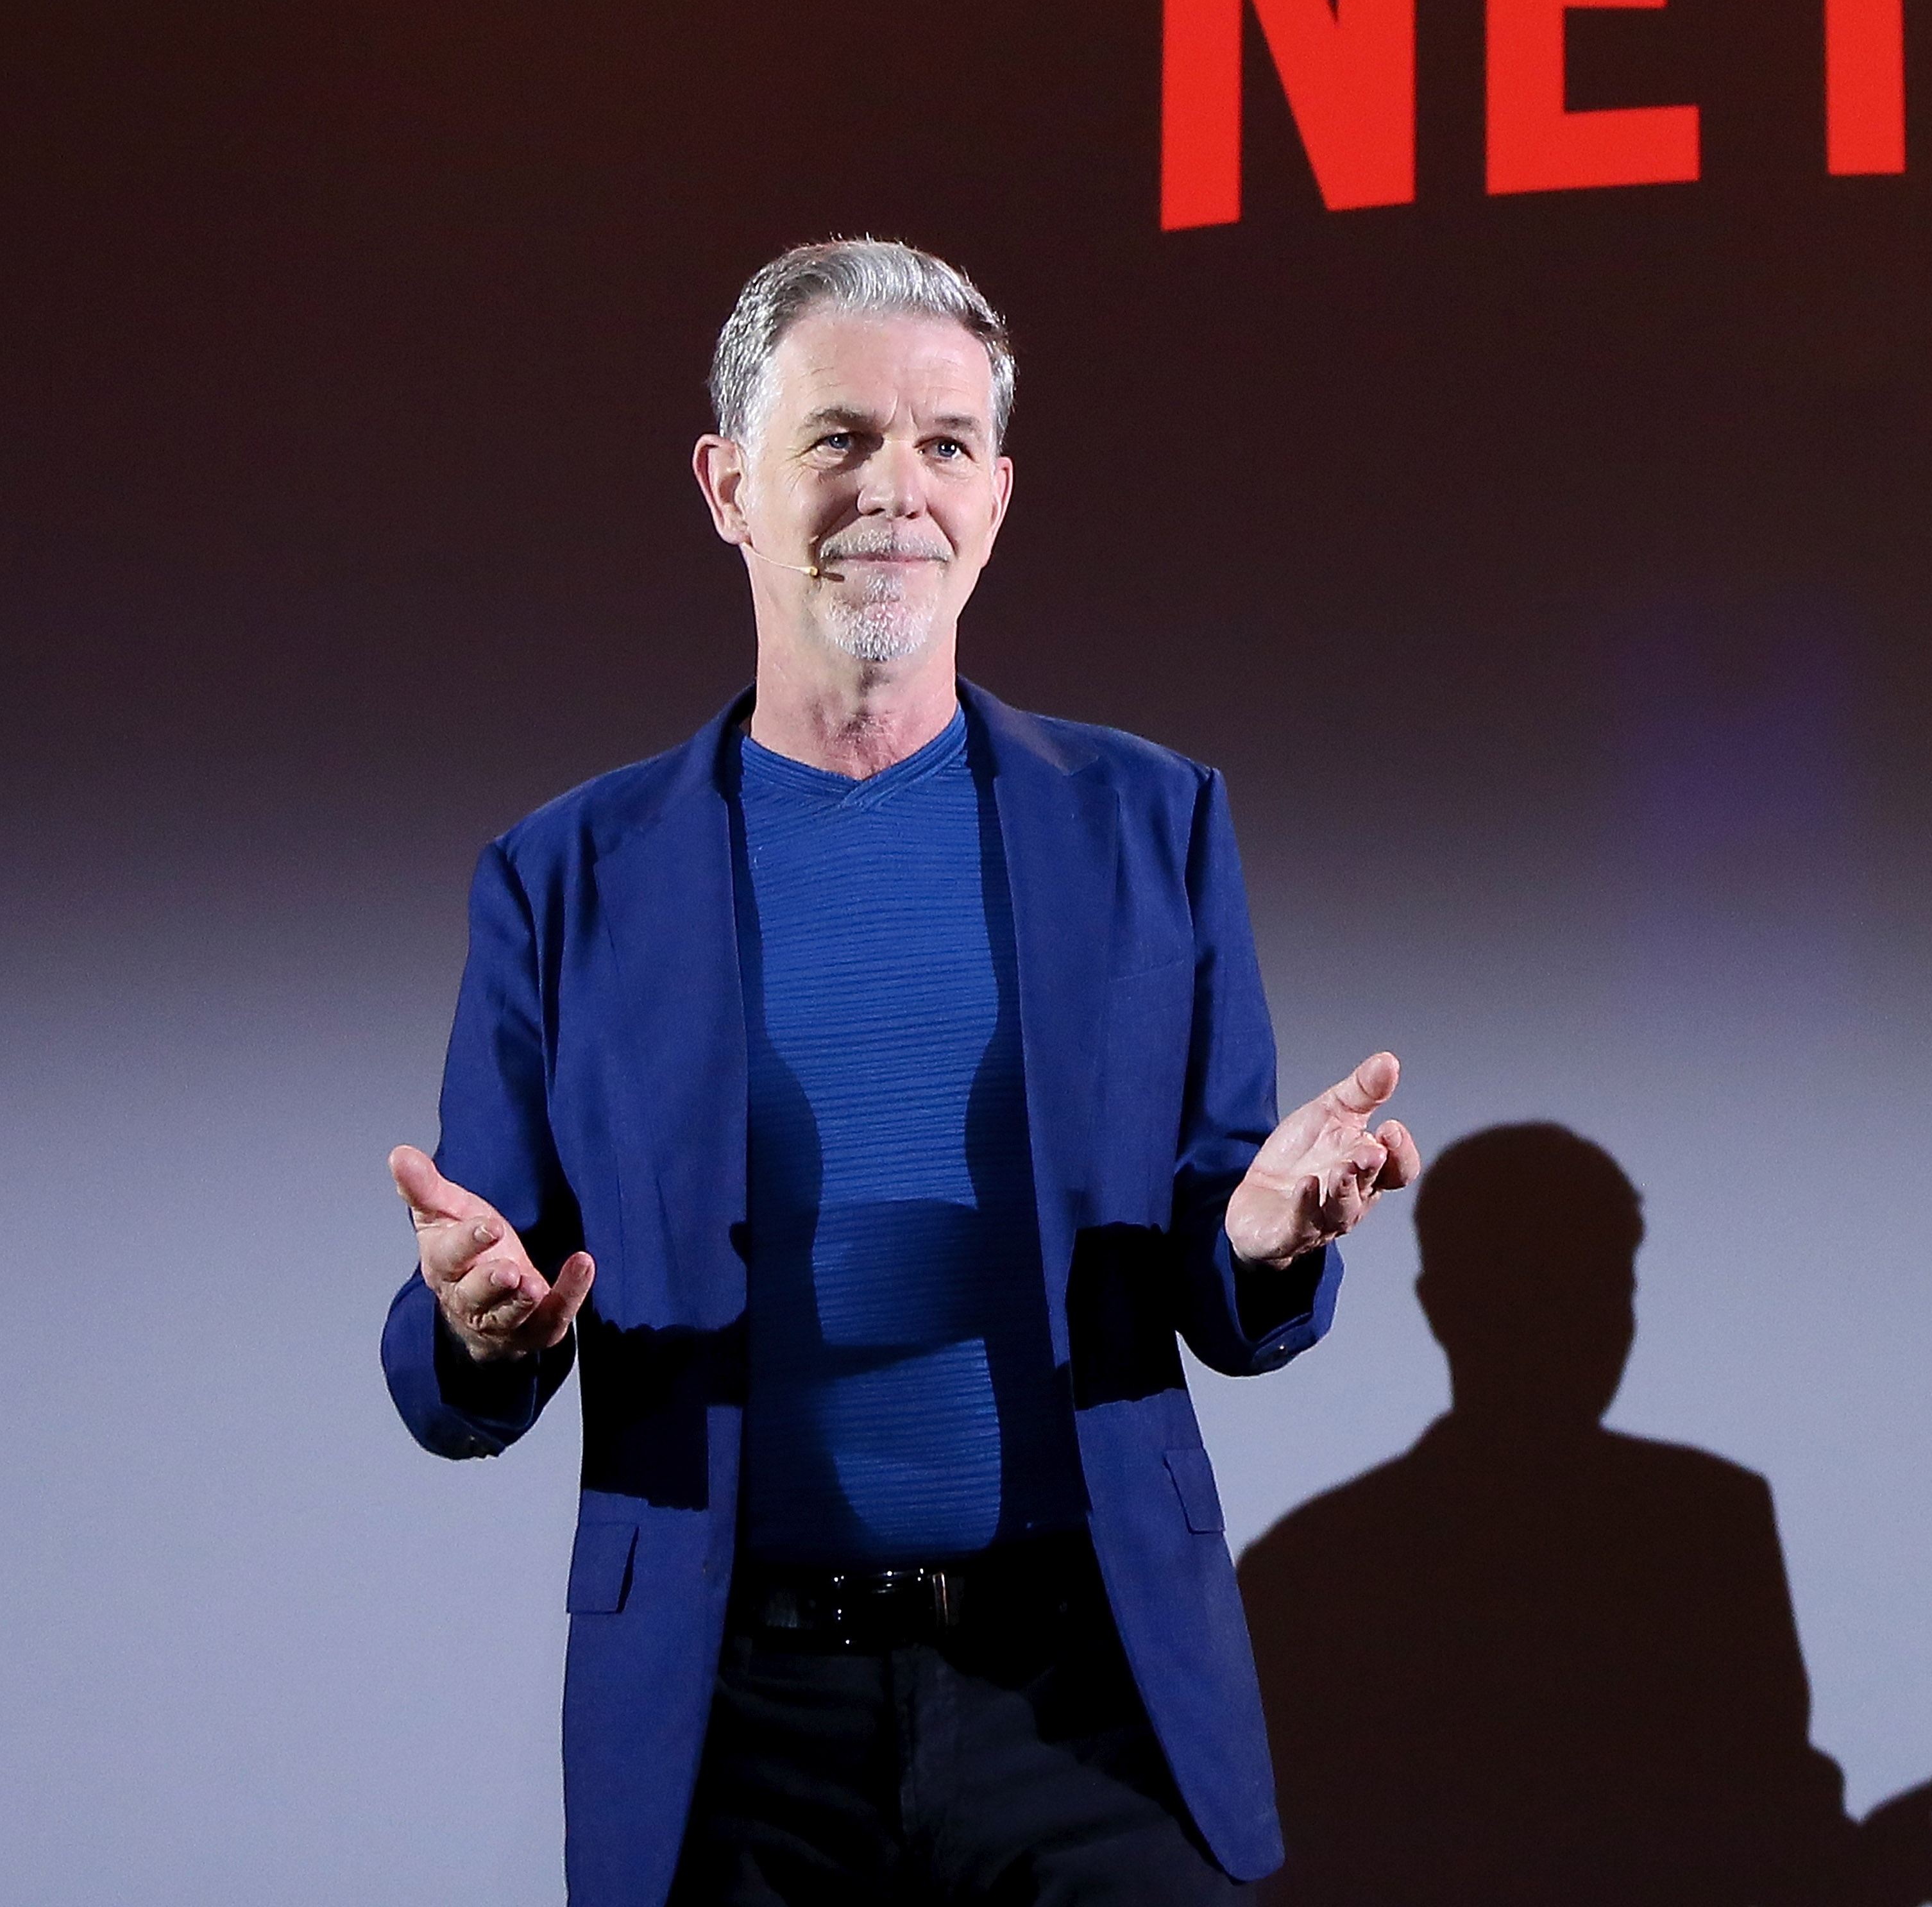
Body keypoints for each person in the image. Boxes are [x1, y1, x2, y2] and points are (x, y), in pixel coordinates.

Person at [378, 239, 1421, 1907]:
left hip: (1091, 1700)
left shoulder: (1152, 829)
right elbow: (457, 1332)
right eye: (841, 439)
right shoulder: (564, 880)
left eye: (944, 445)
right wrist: (471, 1327)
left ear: (997, 499)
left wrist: (1260, 1241)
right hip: (730, 1734)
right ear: (727, 486)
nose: (897, 490)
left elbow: (1217, 1290)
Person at [1241, 1125, 1932, 1907]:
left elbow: (1769, 1818)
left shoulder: (1312, 1564)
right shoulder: (1316, 1574)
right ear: (1447, 1306)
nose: (1587, 1325)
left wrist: (1864, 1867)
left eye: (1603, 1286)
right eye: (1548, 1288)